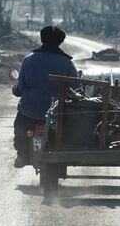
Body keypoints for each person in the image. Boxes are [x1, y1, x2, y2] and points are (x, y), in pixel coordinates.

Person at [11, 25, 78, 168]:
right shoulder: (67, 63)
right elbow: (75, 89)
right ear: (61, 41)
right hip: (56, 113)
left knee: (20, 126)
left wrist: (17, 90)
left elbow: (21, 87)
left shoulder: (29, 59)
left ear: (42, 38)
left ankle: (22, 155)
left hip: (30, 110)